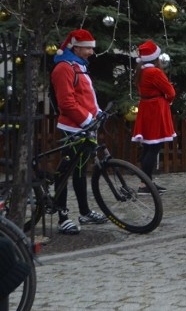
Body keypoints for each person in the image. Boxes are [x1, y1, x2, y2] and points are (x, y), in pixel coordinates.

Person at [50, 29, 109, 234]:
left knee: (80, 171)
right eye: (88, 48)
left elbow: (86, 96)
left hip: (85, 126)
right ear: (75, 47)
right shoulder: (64, 68)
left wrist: (98, 113)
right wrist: (87, 120)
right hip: (72, 128)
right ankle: (62, 216)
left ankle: (84, 212)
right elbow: (66, 103)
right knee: (65, 171)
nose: (92, 52)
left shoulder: (79, 66)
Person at [131, 40, 177, 193]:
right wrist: (167, 100)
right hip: (155, 109)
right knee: (154, 147)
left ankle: (146, 181)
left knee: (148, 146)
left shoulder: (141, 71)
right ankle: (145, 183)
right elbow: (170, 92)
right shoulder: (155, 72)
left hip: (146, 107)